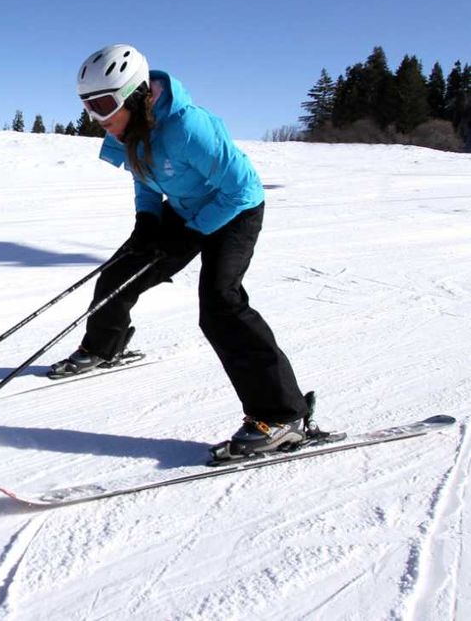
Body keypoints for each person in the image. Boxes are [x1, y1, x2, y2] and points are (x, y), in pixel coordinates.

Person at [49, 44, 310, 456]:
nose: (98, 118)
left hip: (235, 210)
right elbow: (143, 175)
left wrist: (193, 233)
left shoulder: (189, 127)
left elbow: (240, 190)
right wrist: (147, 219)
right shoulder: (126, 127)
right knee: (120, 274)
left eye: (103, 104)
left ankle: (282, 416)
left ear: (135, 94)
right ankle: (103, 347)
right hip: (185, 210)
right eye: (88, 107)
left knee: (221, 305)